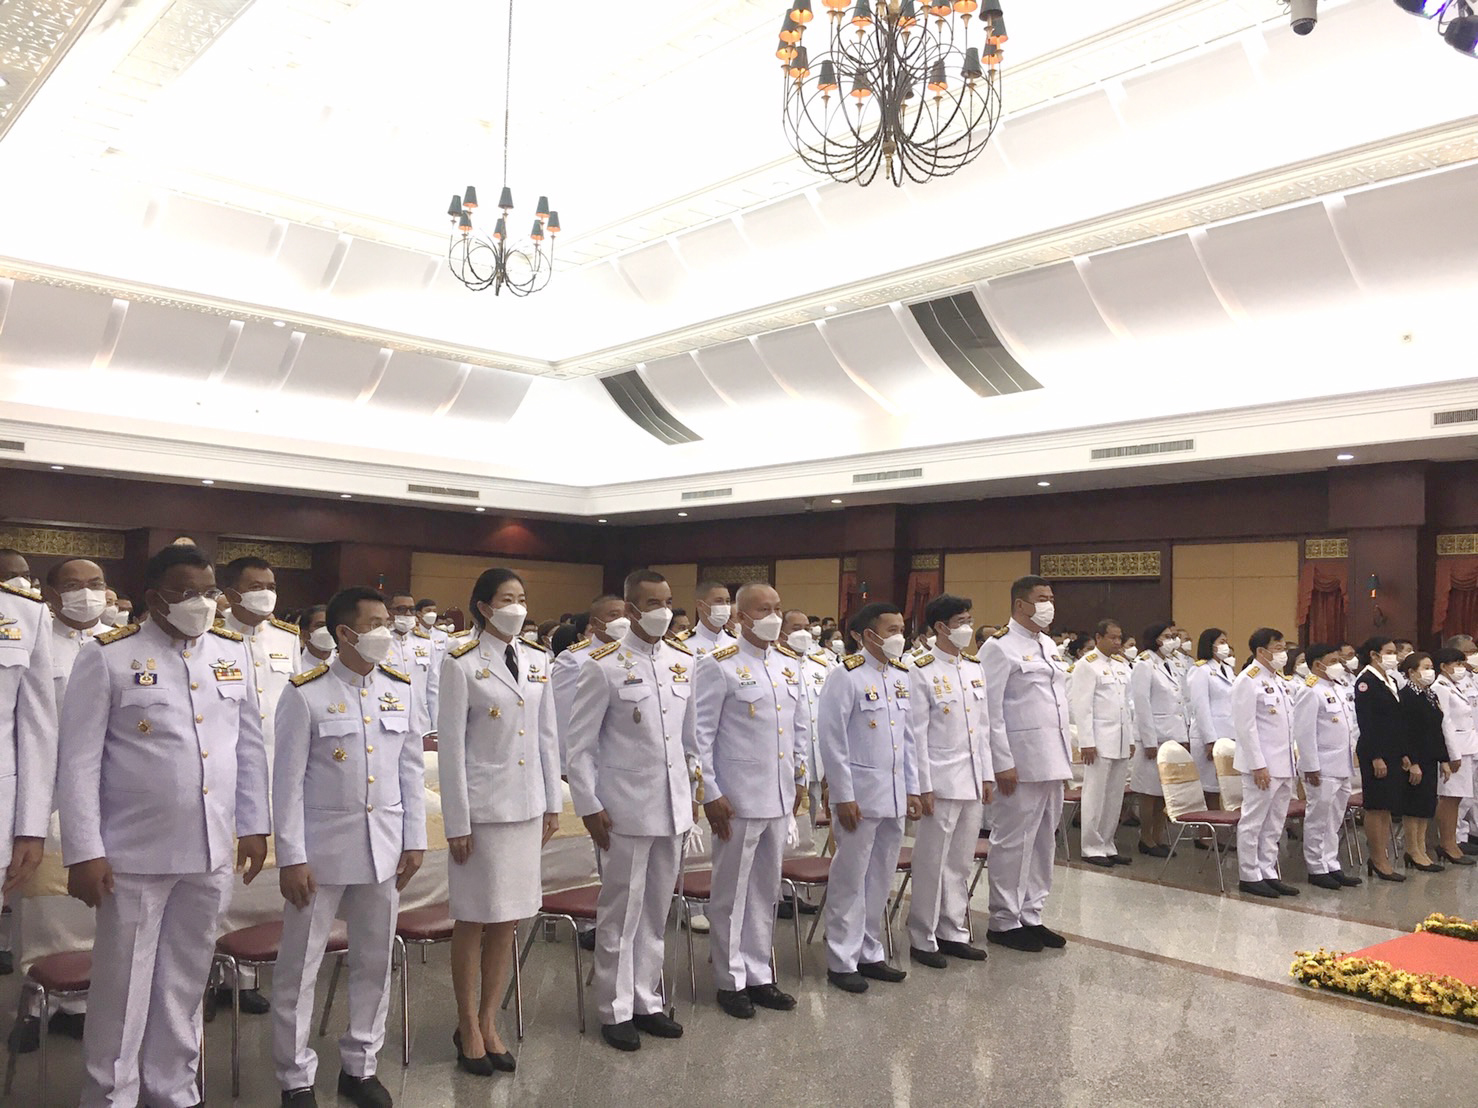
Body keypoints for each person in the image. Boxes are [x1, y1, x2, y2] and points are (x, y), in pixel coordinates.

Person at [59, 543, 269, 1108]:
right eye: (185, 593)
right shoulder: (109, 656)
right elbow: (77, 761)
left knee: (184, 978)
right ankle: (111, 1095)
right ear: (154, 598)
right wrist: (84, 850)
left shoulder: (231, 652)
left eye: (208, 591)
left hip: (209, 848)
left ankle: (172, 1088)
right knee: (123, 985)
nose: (201, 603)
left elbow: (247, 747)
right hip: (132, 853)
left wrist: (254, 823)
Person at [272, 587, 426, 1108]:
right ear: (344, 633)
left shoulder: (400, 688)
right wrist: (291, 856)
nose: (388, 630)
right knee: (300, 967)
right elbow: (286, 784)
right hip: (320, 853)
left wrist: (414, 839)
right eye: (375, 623)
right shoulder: (305, 692)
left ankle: (360, 1066)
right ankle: (295, 1077)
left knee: (374, 961)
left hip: (384, 848)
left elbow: (409, 769)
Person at [438, 569, 561, 1072]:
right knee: (473, 917)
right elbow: (450, 747)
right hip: (483, 811)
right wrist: (457, 822)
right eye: (507, 599)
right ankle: (466, 1022)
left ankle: (490, 1020)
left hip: (526, 806)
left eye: (522, 598)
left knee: (508, 919)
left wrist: (552, 801)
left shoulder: (537, 658)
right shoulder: (461, 661)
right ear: (484, 607)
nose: (517, 607)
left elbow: (547, 735)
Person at [565, 570, 693, 1051]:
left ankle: (646, 999)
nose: (663, 611)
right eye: (652, 603)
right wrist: (589, 804)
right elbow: (579, 746)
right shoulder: (603, 666)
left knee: (656, 910)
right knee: (620, 911)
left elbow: (687, 741)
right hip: (623, 808)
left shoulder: (683, 662)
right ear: (632, 608)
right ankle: (614, 1008)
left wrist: (692, 795)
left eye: (667, 601)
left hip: (671, 805)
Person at [688, 582, 808, 1018]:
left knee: (765, 891)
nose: (773, 617)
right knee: (731, 892)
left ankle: (759, 973)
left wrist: (800, 777)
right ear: (741, 617)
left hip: (777, 795)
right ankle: (730, 979)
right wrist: (710, 792)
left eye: (777, 608)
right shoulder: (718, 666)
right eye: (763, 610)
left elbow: (798, 729)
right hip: (735, 798)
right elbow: (699, 736)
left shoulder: (788, 665)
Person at [818, 601, 918, 990]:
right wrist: (842, 795)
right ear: (869, 635)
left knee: (880, 878)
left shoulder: (901, 675)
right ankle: (842, 960)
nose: (899, 636)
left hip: (892, 794)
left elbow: (908, 740)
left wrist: (912, 788)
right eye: (892, 630)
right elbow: (832, 740)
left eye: (902, 629)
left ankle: (869, 951)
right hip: (858, 795)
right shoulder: (846, 676)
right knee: (850, 878)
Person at [219, 554, 302, 1013]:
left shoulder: (287, 638)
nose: (266, 593)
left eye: (271, 585)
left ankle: (244, 976)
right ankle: (211, 969)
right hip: (226, 771)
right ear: (231, 593)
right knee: (224, 876)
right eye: (256, 586)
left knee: (261, 880)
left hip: (276, 765)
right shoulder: (213, 636)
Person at [980, 576, 1072, 952]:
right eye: (1041, 598)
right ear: (1021, 604)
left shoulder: (1047, 644)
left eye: (1051, 598)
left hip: (1053, 756)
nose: (1049, 604)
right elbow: (990, 710)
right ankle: (1004, 919)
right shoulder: (998, 647)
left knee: (1043, 840)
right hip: (1020, 759)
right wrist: (1001, 762)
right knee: (1013, 840)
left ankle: (1031, 913)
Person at [906, 595, 992, 967]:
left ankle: (952, 930)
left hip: (970, 779)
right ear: (941, 627)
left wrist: (986, 775)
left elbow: (982, 729)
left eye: (970, 620)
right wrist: (921, 785)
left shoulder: (973, 668)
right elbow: (915, 734)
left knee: (959, 862)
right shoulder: (919, 669)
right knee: (931, 861)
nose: (967, 628)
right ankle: (922, 936)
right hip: (938, 781)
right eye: (960, 621)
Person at [1231, 627, 1299, 898]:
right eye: (1278, 648)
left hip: (1284, 764)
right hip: (1262, 765)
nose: (1283, 654)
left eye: (1284, 648)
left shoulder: (1278, 680)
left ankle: (1268, 871)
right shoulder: (1248, 680)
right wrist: (1258, 765)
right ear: (1261, 651)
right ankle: (1249, 874)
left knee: (1275, 823)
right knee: (1254, 821)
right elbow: (1246, 728)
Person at [1294, 644, 1363, 890]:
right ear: (1317, 664)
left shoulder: (1337, 688)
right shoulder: (1310, 691)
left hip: (1341, 764)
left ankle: (1331, 864)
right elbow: (1304, 733)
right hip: (1322, 766)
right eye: (1333, 661)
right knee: (1318, 818)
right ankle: (1316, 867)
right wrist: (1311, 766)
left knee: (1334, 819)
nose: (1339, 665)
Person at [1068, 619, 1133, 867]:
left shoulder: (1121, 665)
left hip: (1120, 739)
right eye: (1112, 638)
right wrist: (1086, 742)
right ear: (1099, 638)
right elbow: (1082, 707)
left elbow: (1127, 706)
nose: (1117, 642)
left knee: (1114, 796)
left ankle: (1107, 843)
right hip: (1099, 741)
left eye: (1119, 638)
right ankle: (1091, 846)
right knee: (1095, 794)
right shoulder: (1087, 665)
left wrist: (1130, 738)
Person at [1352, 637, 1407, 881]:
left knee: (1387, 805)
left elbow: (1397, 719)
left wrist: (1403, 752)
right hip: (1375, 751)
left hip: (1392, 749)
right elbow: (1367, 722)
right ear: (1374, 655)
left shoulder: (1390, 679)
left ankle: (1382, 855)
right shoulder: (1366, 681)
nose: (1393, 656)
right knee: (1376, 805)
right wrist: (1376, 756)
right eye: (1389, 652)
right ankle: (1377, 858)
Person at [1128, 623, 1185, 857]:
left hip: (1172, 736)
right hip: (1154, 737)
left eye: (1173, 636)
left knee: (1165, 790)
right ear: (1155, 639)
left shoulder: (1170, 664)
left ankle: (1159, 836)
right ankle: (1146, 838)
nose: (1172, 640)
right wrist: (1149, 741)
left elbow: (1179, 703)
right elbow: (1142, 705)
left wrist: (1183, 737)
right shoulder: (1144, 664)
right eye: (1167, 636)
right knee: (1149, 791)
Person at [1396, 651, 1446, 873]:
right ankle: (1412, 849)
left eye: (1431, 667)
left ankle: (1422, 848)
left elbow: (1436, 728)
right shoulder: (1406, 696)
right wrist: (1412, 761)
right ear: (1411, 672)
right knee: (1414, 804)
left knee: (1426, 804)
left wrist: (1443, 759)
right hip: (1415, 758)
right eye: (1425, 668)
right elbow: (1405, 731)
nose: (1430, 671)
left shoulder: (1430, 694)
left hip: (1430, 756)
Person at [1429, 647, 1476, 866]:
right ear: (1443, 666)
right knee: (1450, 797)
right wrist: (1452, 754)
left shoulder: (1454, 685)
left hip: (1467, 747)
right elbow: (1444, 722)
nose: (1461, 668)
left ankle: (1452, 842)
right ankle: (1447, 843)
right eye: (1456, 664)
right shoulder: (1440, 687)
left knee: (1458, 797)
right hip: (1454, 750)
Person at [42, 558, 110, 705]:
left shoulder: (123, 642)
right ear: (50, 593)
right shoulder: (39, 641)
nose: (86, 592)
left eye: (95, 585)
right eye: (72, 585)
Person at [1186, 628, 1234, 816]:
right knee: (1209, 788)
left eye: (1226, 641)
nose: (1225, 646)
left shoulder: (1228, 669)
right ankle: (1205, 829)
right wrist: (1210, 740)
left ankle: (1219, 827)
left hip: (1228, 735)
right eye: (1221, 642)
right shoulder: (1200, 670)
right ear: (1210, 644)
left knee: (1224, 786)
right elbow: (1201, 707)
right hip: (1209, 736)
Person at [385, 593, 439, 746]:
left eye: (411, 609)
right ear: (389, 612)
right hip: (389, 718)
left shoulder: (425, 643)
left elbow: (433, 689)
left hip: (420, 720)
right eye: (401, 609)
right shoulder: (382, 642)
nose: (408, 614)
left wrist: (435, 726)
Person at [675, 580, 733, 657]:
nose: (725, 606)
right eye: (719, 601)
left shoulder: (735, 641)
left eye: (727, 601)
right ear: (700, 605)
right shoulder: (682, 644)